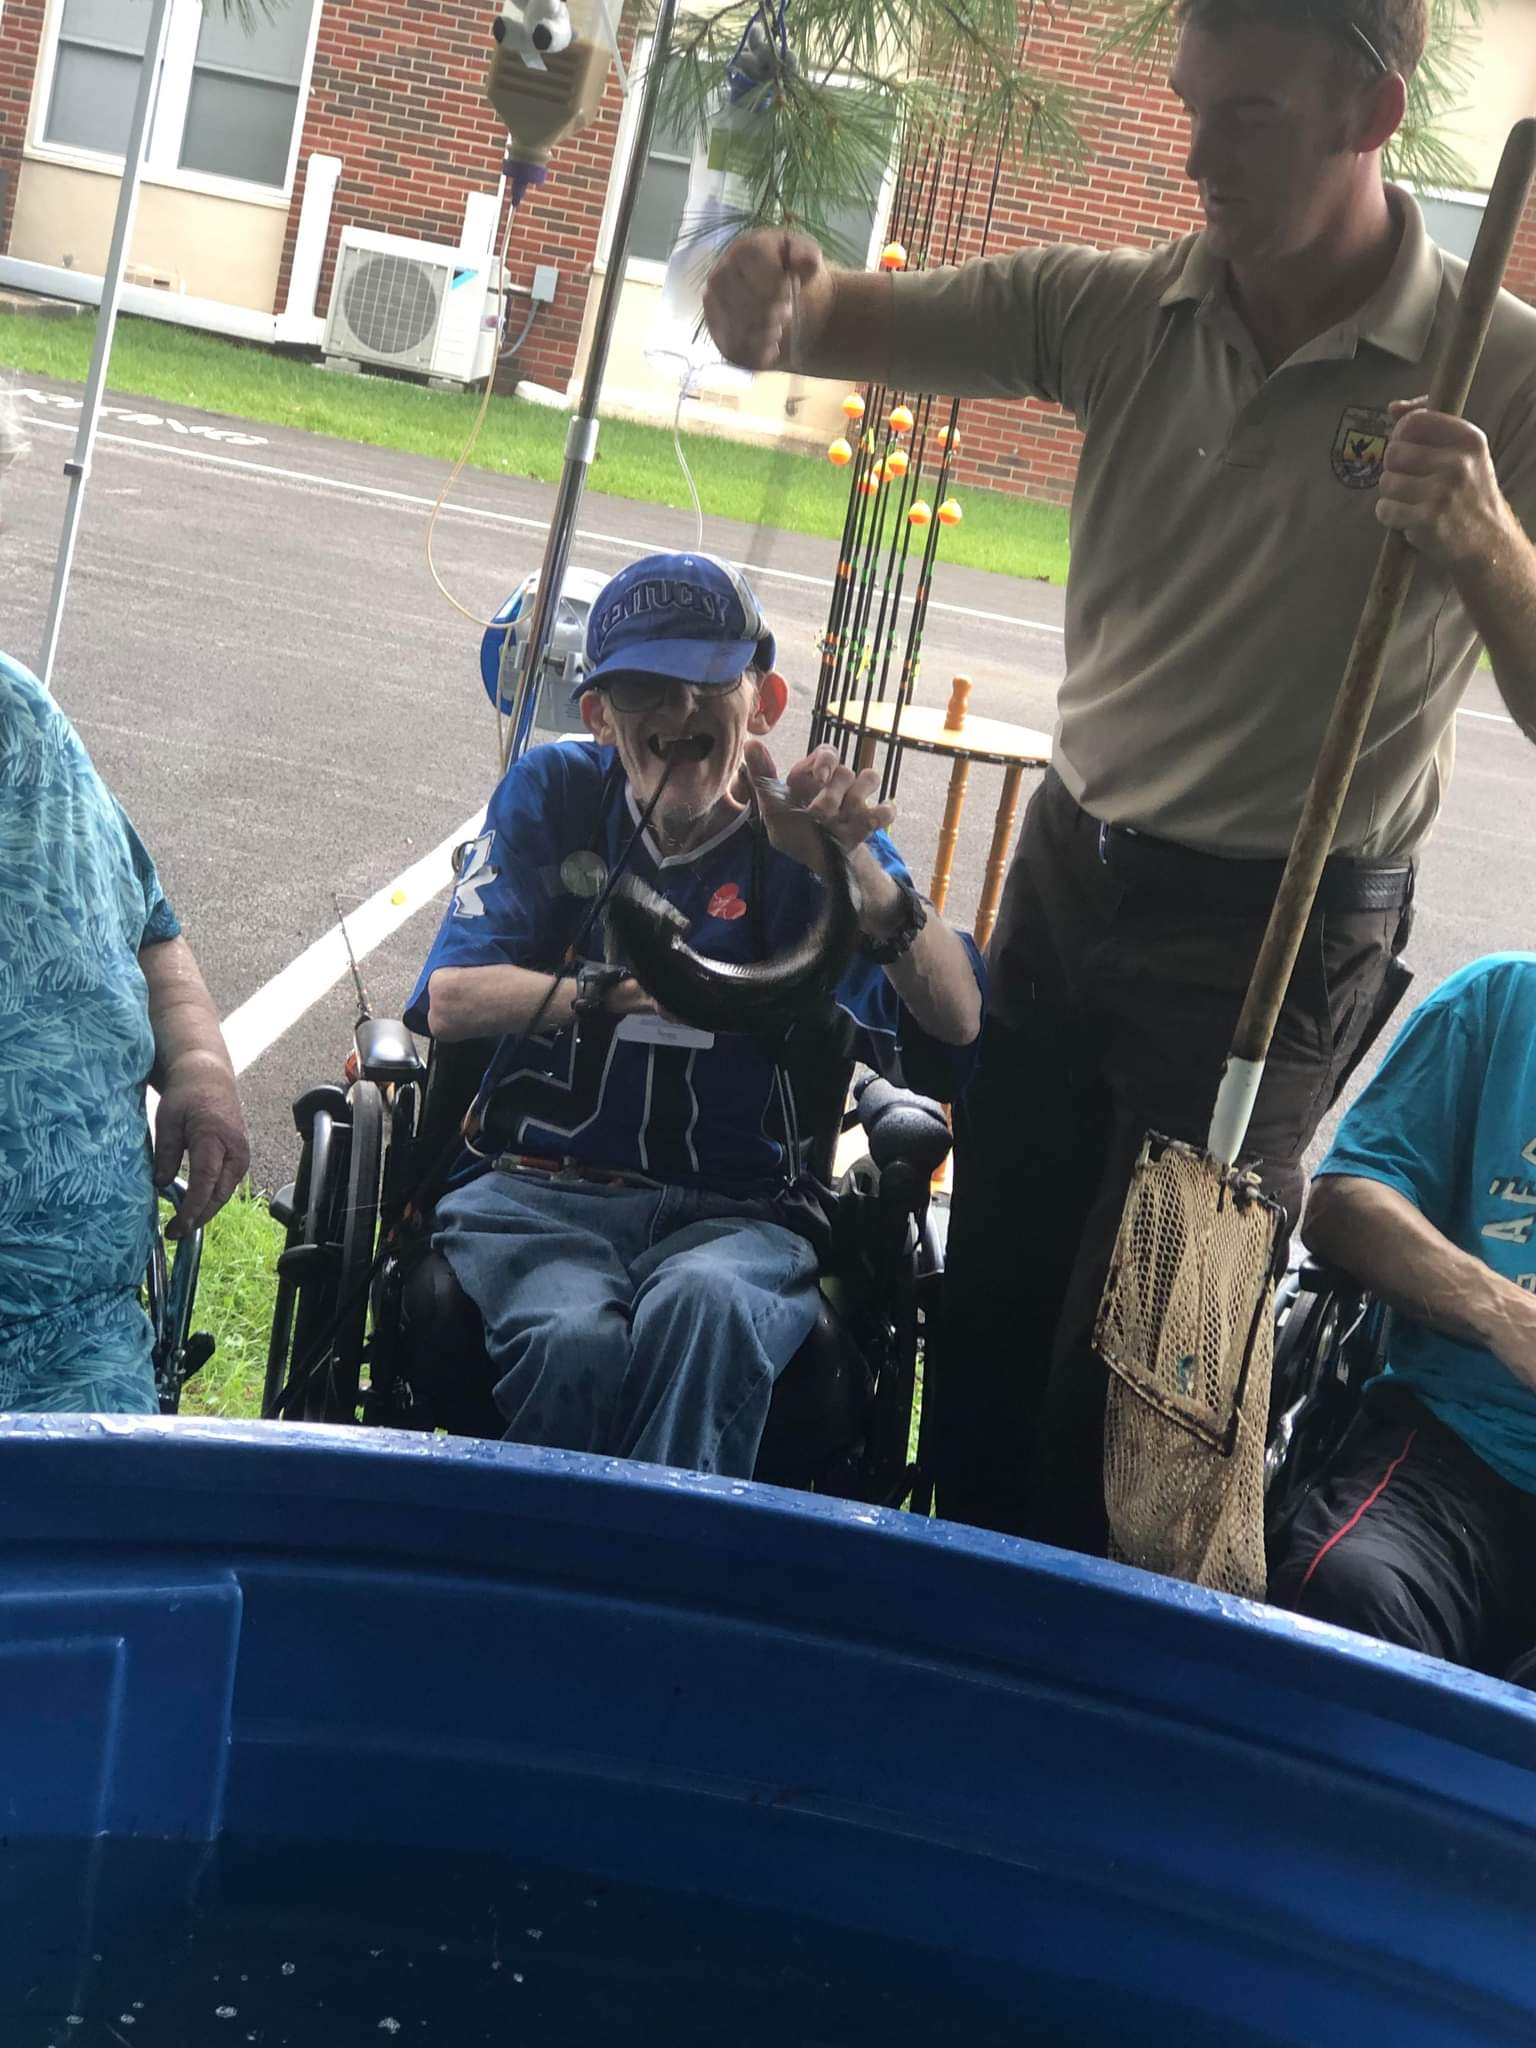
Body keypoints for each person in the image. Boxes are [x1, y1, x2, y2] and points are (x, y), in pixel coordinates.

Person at [703, 0, 1536, 1553]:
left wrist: (1486, 537)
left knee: (1146, 1393)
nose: (1199, 154)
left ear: (1371, 113)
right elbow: (847, 320)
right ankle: (960, 1637)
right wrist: (774, 308)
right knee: (995, 1315)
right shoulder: (1120, 306)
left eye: (1249, 115)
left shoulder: (1498, 365)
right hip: (1071, 878)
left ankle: (1101, 1671)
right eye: (1191, 105)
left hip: (1274, 940)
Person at [404, 550, 983, 1478]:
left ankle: (615, 1560)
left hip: (741, 1218)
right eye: (645, 689)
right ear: (599, 715)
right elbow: (450, 999)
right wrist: (612, 993)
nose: (677, 712)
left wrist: (856, 876)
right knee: (572, 1340)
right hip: (536, 1196)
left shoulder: (807, 834)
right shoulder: (554, 795)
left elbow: (957, 1024)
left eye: (707, 684)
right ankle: (603, 1559)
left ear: (765, 702)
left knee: (703, 1309)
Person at [0, 386, 249, 1412]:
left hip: (71, 1330)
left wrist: (199, 1068)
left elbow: (153, 931)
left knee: (101, 1507)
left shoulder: (21, 719)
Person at [1269, 955, 1536, 1690]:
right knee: (1342, 1604)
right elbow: (1344, 1203)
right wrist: (1502, 1313)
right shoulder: (1500, 1003)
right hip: (1455, 1449)